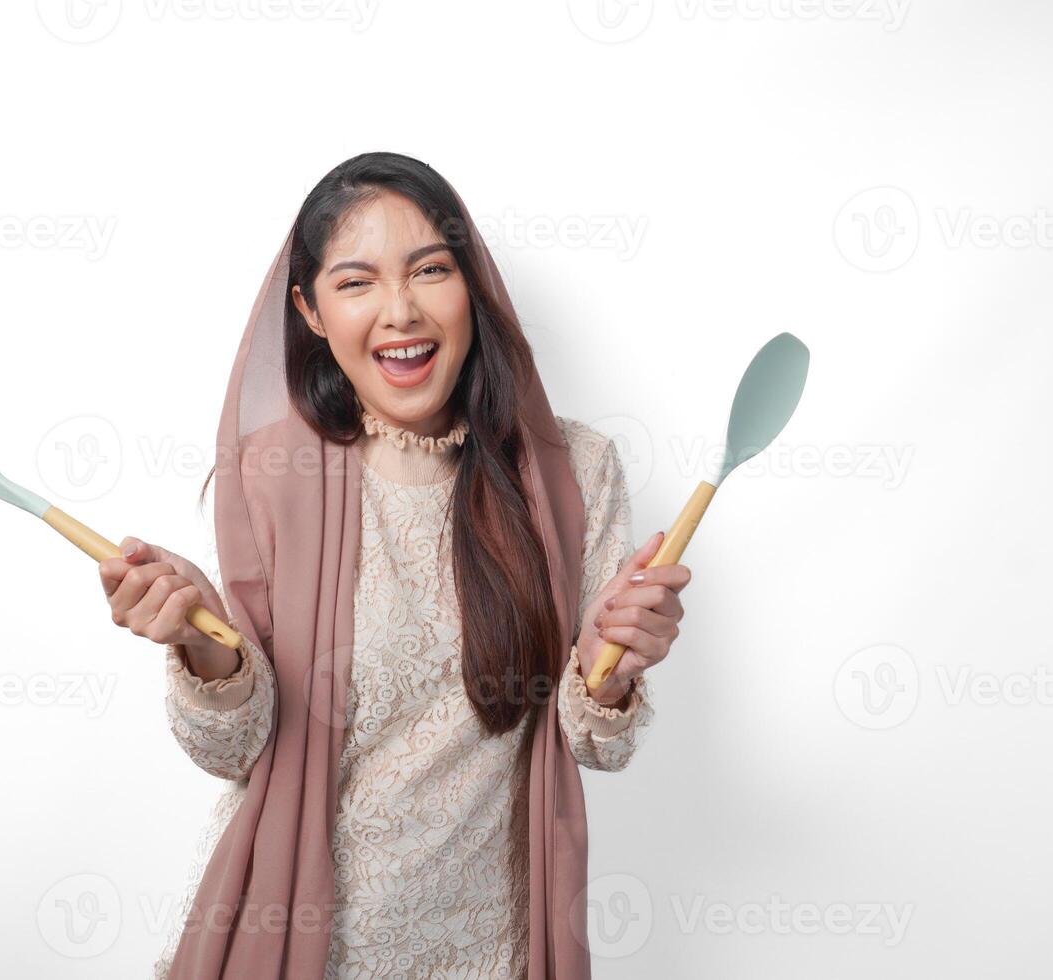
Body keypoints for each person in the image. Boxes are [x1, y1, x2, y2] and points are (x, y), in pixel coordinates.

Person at [98, 151, 691, 979]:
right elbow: (239, 748)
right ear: (309, 309)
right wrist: (205, 648)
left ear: (472, 284)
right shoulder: (272, 476)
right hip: (298, 946)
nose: (400, 312)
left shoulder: (573, 471)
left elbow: (596, 746)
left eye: (430, 270)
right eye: (356, 283)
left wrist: (611, 668)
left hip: (491, 952)